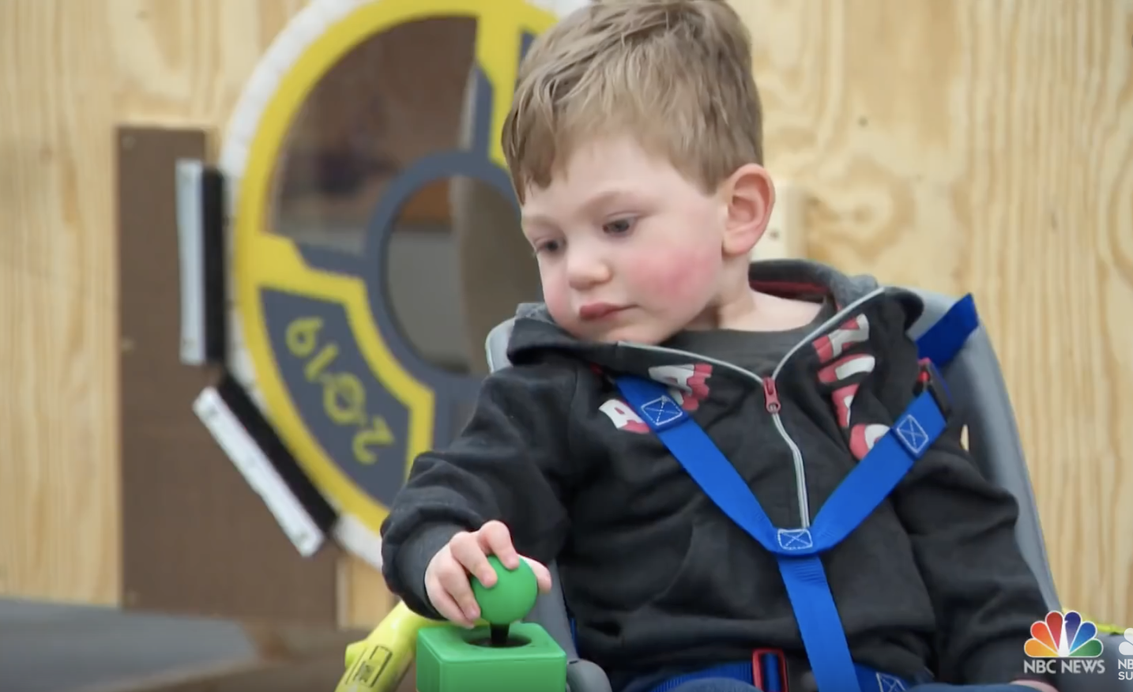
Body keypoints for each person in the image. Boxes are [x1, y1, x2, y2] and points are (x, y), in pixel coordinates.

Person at [379, 2, 1057, 691]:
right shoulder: (561, 385)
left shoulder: (872, 362)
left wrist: (1032, 674)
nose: (577, 267)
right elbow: (447, 493)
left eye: (616, 225)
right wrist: (443, 550)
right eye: (548, 243)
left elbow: (976, 557)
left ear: (738, 212)